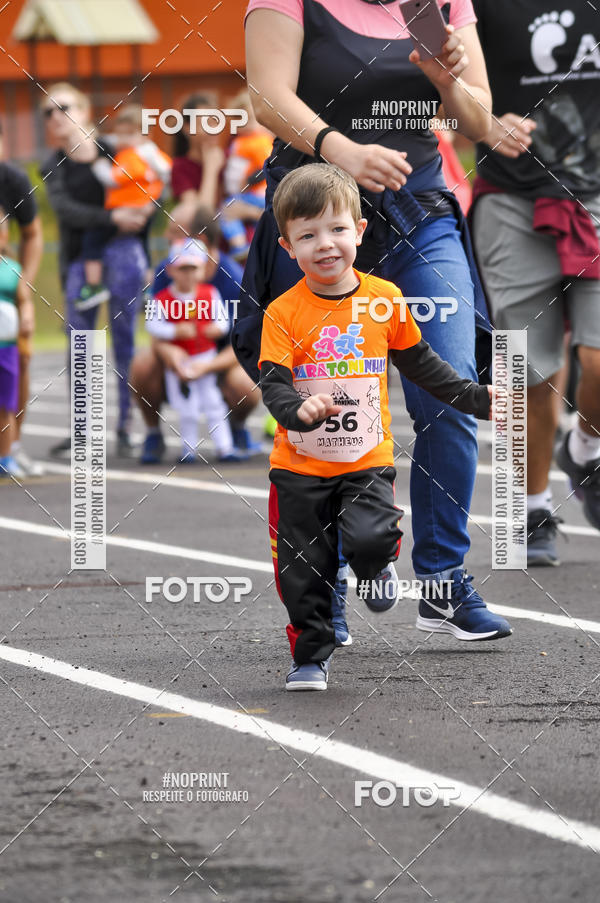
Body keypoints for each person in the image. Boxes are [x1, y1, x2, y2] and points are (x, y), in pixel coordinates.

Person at [234, 0, 513, 643]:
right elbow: (266, 97)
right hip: (318, 214)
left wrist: (449, 85)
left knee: (447, 388)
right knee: (319, 406)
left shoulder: (440, 3)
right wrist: (341, 152)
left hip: (421, 213)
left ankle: (442, 583)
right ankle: (321, 591)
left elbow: (480, 121)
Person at [262, 164, 508, 690]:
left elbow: (422, 364)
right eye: (307, 236)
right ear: (287, 247)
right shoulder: (283, 312)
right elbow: (273, 380)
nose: (325, 245)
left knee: (372, 538)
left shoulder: (384, 300)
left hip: (365, 459)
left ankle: (374, 569)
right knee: (302, 570)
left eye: (336, 230)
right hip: (299, 465)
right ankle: (310, 657)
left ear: (360, 231)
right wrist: (295, 410)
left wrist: (473, 396)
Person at [471, 0, 600, 565]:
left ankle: (587, 447)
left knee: (597, 361)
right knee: (528, 369)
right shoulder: (472, 5)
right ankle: (532, 508)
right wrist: (478, 121)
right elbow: (420, 93)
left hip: (595, 197)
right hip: (512, 201)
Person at [40, 82, 149, 457]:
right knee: (80, 342)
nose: (55, 117)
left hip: (124, 253)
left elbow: (147, 191)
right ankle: (83, 430)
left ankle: (125, 427)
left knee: (124, 342)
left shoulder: (116, 151)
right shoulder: (52, 164)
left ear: (85, 110)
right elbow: (67, 211)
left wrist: (140, 221)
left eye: (63, 108)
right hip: (79, 261)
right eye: (48, 112)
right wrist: (112, 216)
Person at [131, 204, 261, 463]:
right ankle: (153, 433)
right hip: (179, 357)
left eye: (173, 233)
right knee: (142, 365)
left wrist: (207, 366)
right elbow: (156, 331)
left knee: (247, 384)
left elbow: (245, 346)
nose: (167, 238)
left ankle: (235, 428)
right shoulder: (166, 271)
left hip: (218, 358)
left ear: (198, 240)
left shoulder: (234, 280)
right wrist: (171, 352)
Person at [146, 238, 242, 463]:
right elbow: (152, 324)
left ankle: (225, 447)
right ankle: (188, 450)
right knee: (187, 409)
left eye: (193, 268)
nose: (188, 275)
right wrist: (174, 332)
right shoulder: (161, 299)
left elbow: (223, 322)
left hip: (206, 357)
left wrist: (215, 329)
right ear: (171, 269)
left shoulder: (210, 293)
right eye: (183, 269)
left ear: (203, 268)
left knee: (214, 405)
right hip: (180, 361)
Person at [78, 103, 171, 310]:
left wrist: (99, 167)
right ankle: (148, 290)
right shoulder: (143, 154)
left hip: (127, 209)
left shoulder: (136, 155)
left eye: (129, 135)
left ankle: (94, 286)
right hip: (140, 208)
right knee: (143, 248)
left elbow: (113, 179)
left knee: (94, 239)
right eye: (120, 135)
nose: (123, 141)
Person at [0, 123, 44, 476]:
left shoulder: (12, 180)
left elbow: (32, 233)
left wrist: (24, 287)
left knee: (18, 361)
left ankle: (11, 444)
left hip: (5, 286)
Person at [219, 91, 273, 260]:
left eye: (249, 119)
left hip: (257, 193)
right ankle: (242, 245)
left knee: (227, 210)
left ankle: (240, 245)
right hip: (245, 194)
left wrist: (249, 181)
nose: (244, 125)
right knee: (228, 210)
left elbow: (267, 165)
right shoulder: (238, 142)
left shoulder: (260, 140)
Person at [0, 213, 30, 478]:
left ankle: (6, 457)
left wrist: (28, 317)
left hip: (6, 347)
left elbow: (25, 300)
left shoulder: (11, 268)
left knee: (5, 405)